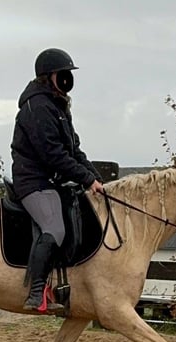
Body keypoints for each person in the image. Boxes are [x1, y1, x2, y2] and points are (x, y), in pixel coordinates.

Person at [10, 48, 105, 312]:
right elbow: (52, 154)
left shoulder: (58, 106)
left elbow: (74, 150)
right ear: (49, 76)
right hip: (34, 182)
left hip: (52, 181)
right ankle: (36, 291)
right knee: (55, 228)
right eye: (63, 75)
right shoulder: (37, 107)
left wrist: (96, 180)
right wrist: (86, 179)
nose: (67, 80)